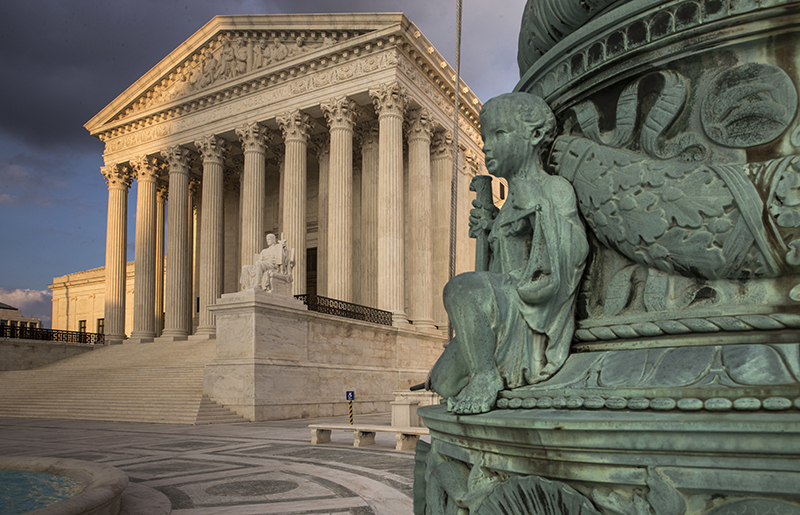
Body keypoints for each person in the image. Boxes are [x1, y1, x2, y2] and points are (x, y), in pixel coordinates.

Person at [429, 93, 589, 414]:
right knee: (443, 382)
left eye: (499, 135)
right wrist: (489, 233)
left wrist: (538, 212)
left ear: (533, 136)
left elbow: (573, 254)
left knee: (458, 288)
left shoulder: (552, 189)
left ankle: (487, 376)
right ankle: (483, 364)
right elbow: (494, 271)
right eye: (486, 137)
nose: (487, 146)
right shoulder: (506, 207)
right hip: (502, 304)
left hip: (526, 304)